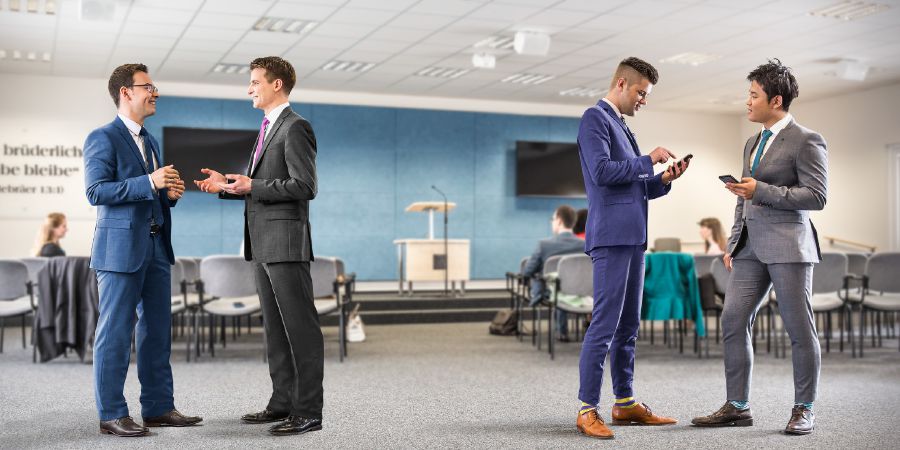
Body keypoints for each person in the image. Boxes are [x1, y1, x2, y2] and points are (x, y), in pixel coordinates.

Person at [692, 59, 827, 436]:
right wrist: (733, 242)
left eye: (753, 95)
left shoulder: (807, 139)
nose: (747, 101)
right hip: (750, 248)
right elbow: (742, 198)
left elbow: (816, 196)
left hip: (789, 247)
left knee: (799, 329)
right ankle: (737, 405)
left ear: (776, 99)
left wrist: (761, 191)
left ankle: (804, 407)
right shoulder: (753, 141)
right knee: (733, 320)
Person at [194, 56, 322, 437]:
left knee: (300, 328)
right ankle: (282, 402)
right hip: (262, 244)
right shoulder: (267, 128)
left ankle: (309, 410)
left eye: (254, 82)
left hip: (285, 244)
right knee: (275, 330)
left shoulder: (296, 127)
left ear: (276, 84)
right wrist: (231, 186)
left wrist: (252, 185)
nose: (249, 89)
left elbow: (305, 187)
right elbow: (262, 186)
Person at [575, 57, 689, 439]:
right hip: (610, 237)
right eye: (642, 92)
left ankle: (624, 404)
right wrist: (646, 160)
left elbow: (635, 187)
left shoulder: (622, 126)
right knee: (605, 324)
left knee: (628, 326)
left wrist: (663, 179)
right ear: (622, 84)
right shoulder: (595, 118)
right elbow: (603, 173)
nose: (644, 100)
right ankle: (587, 408)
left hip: (634, 237)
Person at [84, 63, 199, 437]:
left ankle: (158, 407)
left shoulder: (149, 140)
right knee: (115, 332)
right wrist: (148, 181)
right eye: (147, 86)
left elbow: (149, 194)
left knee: (156, 333)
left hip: (155, 248)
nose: (156, 92)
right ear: (126, 92)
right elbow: (96, 192)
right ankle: (112, 413)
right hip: (119, 252)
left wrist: (168, 196)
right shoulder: (102, 137)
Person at [522, 205, 584, 341]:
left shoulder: (544, 245)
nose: (552, 222)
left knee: (554, 284)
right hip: (581, 292)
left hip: (551, 292)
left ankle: (561, 331)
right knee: (563, 285)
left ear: (560, 221)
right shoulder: (585, 245)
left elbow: (527, 271)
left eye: (553, 219)